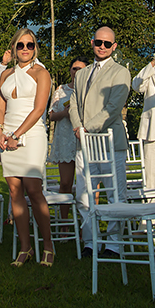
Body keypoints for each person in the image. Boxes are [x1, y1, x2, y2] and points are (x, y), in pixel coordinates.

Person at [70, 25, 132, 258]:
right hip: (83, 143)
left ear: (114, 47)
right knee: (84, 194)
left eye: (107, 44)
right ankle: (90, 241)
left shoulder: (120, 72)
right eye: (99, 42)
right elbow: (74, 101)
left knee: (115, 194)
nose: (102, 47)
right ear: (93, 42)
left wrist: (88, 128)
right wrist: (78, 127)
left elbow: (113, 108)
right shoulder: (83, 73)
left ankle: (114, 245)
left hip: (109, 143)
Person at [0, 28, 54, 266]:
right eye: (21, 45)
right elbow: (0, 106)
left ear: (35, 48)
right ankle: (25, 247)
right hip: (8, 132)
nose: (26, 49)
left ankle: (48, 246)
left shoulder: (41, 73)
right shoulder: (6, 74)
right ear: (14, 48)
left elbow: (39, 109)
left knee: (33, 188)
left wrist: (16, 134)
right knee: (14, 190)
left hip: (31, 133)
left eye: (30, 45)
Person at [47, 58, 89, 215]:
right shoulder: (60, 90)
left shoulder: (90, 90)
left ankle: (90, 221)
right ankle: (64, 222)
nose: (77, 72)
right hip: (65, 138)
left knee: (88, 184)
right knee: (65, 182)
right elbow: (51, 115)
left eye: (81, 69)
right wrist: (64, 113)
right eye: (74, 68)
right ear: (70, 71)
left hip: (84, 139)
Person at [132, 50, 155, 192]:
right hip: (153, 130)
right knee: (152, 176)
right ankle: (151, 211)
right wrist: (153, 64)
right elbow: (136, 85)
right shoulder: (151, 74)